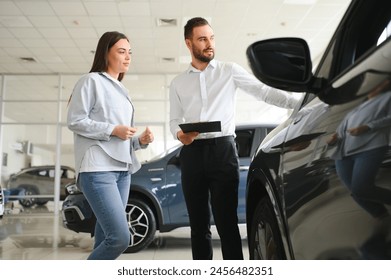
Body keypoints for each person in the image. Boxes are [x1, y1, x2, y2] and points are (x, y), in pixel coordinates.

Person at [169, 17, 299, 260]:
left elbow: (263, 91)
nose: (209, 43)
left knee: (227, 223)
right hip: (192, 153)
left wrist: (298, 103)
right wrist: (180, 134)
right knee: (198, 226)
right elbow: (173, 120)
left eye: (212, 37)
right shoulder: (178, 83)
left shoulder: (229, 71)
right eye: (202, 39)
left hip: (223, 151)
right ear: (189, 43)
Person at [67, 31, 154, 260]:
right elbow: (75, 121)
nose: (128, 57)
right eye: (121, 51)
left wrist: (139, 141)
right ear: (106, 53)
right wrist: (113, 129)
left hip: (122, 171)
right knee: (120, 238)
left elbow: (120, 139)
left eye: (130, 53)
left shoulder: (121, 89)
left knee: (105, 236)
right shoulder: (91, 81)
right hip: (97, 169)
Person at [328, 78, 391, 221]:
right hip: (344, 152)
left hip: (370, 147)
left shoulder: (387, 98)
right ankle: (382, 216)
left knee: (361, 188)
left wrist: (368, 127)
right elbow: (342, 129)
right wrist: (333, 140)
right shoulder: (357, 108)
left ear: (385, 83)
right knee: (356, 193)